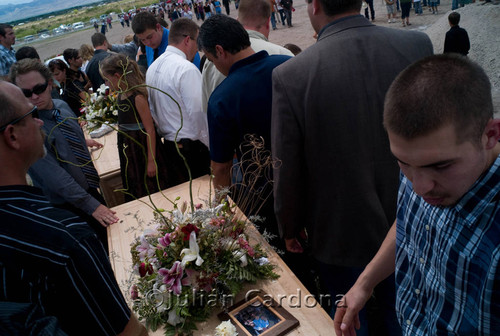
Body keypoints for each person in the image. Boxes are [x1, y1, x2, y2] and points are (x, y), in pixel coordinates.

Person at [271, 0, 433, 334]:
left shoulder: (292, 75)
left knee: (347, 318)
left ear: (314, 5)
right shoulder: (416, 45)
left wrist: (289, 225)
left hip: (338, 229)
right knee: (404, 311)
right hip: (412, 215)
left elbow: (287, 166)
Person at [334, 54, 500, 336]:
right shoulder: (420, 163)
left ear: (491, 135)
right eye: (402, 163)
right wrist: (365, 282)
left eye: (441, 166)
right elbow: (408, 225)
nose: (420, 187)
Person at [0, 80, 147, 336]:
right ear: (12, 135)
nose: (39, 122)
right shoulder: (64, 237)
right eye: (31, 114)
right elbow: (127, 332)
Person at [9, 59, 119, 249]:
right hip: (67, 207)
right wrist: (92, 205)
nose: (34, 97)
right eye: (26, 93)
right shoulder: (30, 131)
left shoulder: (61, 107)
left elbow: (64, 133)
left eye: (39, 88)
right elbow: (55, 177)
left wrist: (80, 141)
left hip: (89, 191)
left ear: (50, 84)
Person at [146, 18, 209, 186]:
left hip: (170, 146)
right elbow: (198, 113)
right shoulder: (186, 69)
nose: (198, 48)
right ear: (188, 40)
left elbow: (153, 110)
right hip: (192, 149)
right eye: (197, 42)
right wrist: (211, 147)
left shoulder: (152, 67)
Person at [201, 0, 294, 114]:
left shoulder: (213, 60)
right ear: (268, 22)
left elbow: (207, 111)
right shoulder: (283, 55)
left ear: (236, 22)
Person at [100, 54, 171, 200]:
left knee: (150, 186)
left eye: (107, 80)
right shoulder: (120, 95)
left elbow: (150, 130)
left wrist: (151, 161)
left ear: (118, 76)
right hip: (130, 149)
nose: (106, 84)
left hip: (143, 149)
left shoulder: (137, 97)